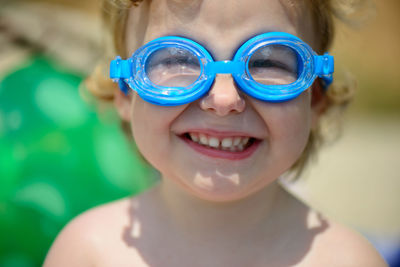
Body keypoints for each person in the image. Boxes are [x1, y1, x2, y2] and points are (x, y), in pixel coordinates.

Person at [44, 0, 388, 266]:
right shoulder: (86, 253)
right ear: (125, 91)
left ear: (314, 98)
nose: (224, 99)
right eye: (177, 60)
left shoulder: (348, 260)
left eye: (267, 62)